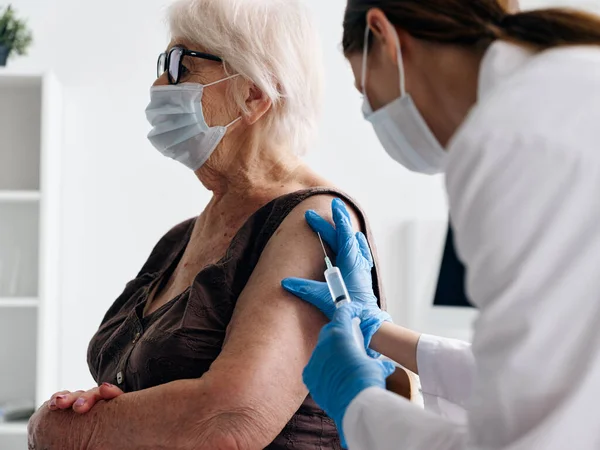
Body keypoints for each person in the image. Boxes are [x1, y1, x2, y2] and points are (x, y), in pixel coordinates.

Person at [26, 1, 392, 448]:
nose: (159, 84)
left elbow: (227, 422)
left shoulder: (314, 222)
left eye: (181, 64)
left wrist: (63, 428)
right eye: (162, 64)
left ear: (255, 94)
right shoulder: (180, 238)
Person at [282, 0, 600, 448]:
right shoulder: (565, 83)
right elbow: (546, 375)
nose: (372, 112)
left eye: (363, 92)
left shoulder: (509, 140)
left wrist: (359, 405)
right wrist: (377, 329)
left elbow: (526, 436)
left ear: (384, 35)